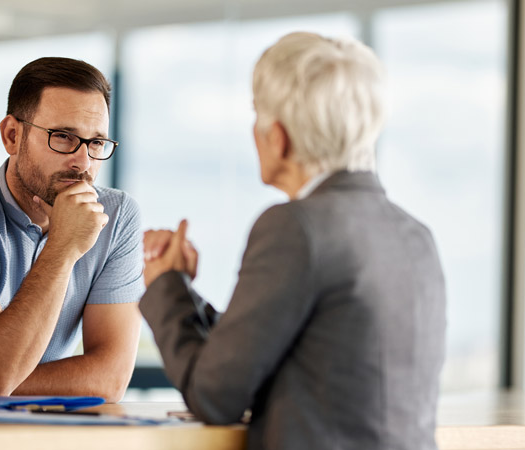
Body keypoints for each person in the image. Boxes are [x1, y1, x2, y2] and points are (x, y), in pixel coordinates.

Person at [141, 32, 447, 450]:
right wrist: (184, 294)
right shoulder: (415, 236)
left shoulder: (295, 226)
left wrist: (165, 285)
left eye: (257, 116)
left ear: (278, 137)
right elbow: (276, 344)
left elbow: (215, 395)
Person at [0, 57, 142, 401]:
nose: (83, 163)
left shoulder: (117, 215)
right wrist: (63, 248)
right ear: (12, 135)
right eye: (63, 137)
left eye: (96, 143)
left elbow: (110, 379)